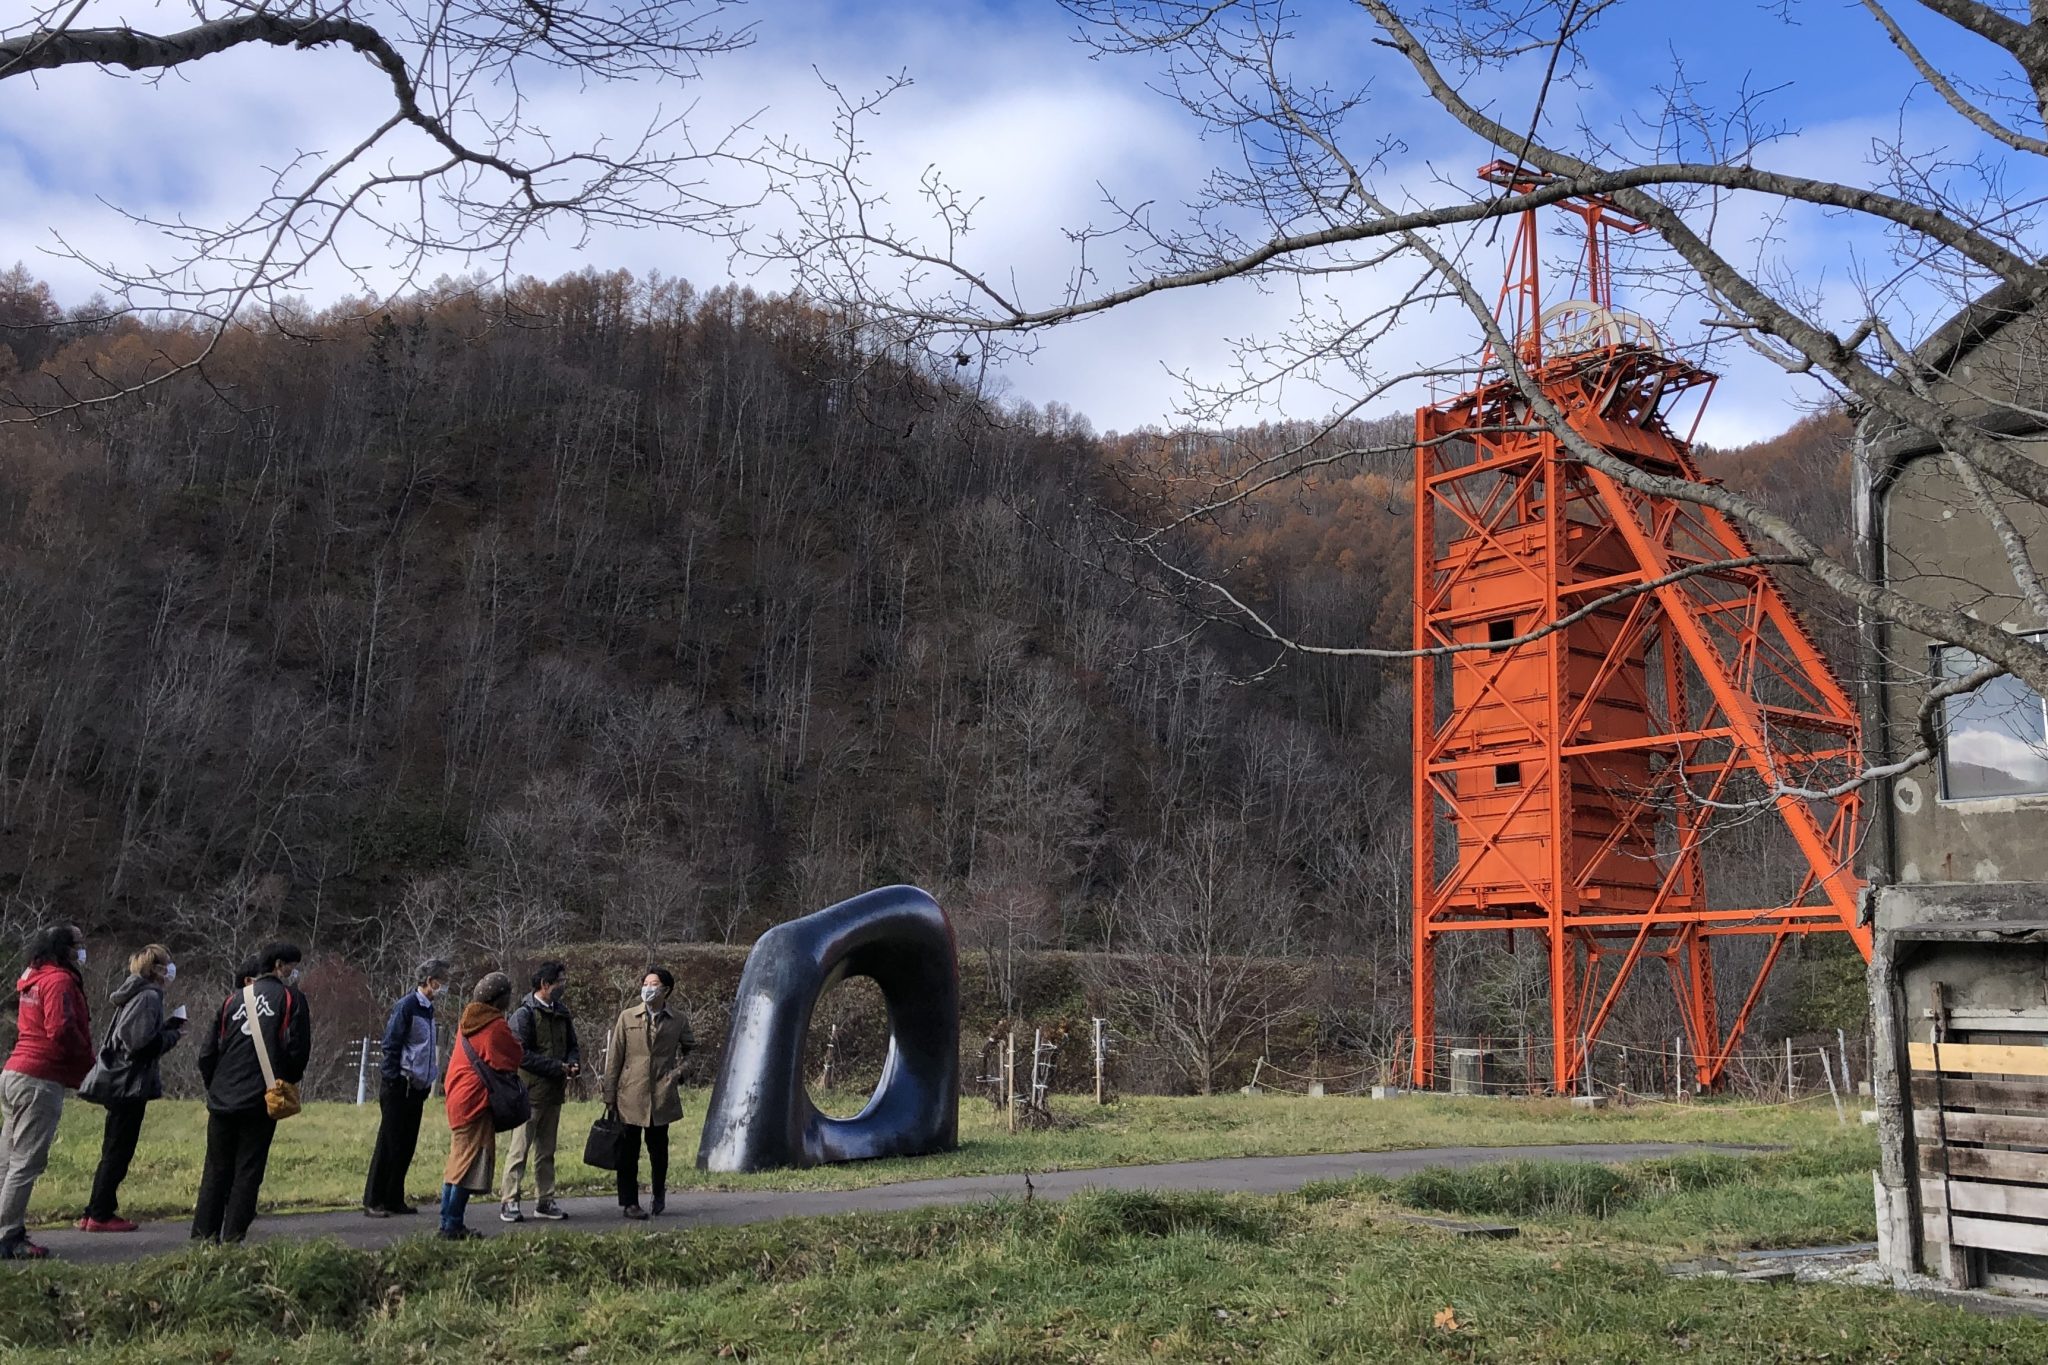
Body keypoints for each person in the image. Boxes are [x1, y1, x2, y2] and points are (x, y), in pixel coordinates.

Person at [192, 941, 311, 1244]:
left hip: (222, 1098)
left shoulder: (232, 1000)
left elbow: (207, 1053)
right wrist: (284, 1080)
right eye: (291, 966)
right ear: (279, 965)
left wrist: (215, 1085)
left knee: (216, 1169)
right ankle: (233, 1238)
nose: (293, 972)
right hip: (261, 1097)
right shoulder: (290, 998)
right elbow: (298, 1051)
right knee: (248, 1169)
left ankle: (202, 1238)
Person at [77, 944, 185, 1232]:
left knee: (112, 1147)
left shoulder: (131, 993)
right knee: (119, 1150)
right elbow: (139, 1043)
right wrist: (172, 1035)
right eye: (168, 964)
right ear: (158, 969)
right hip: (130, 1084)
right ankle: (101, 1212)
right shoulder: (149, 996)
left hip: (118, 1081)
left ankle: (94, 1210)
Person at [0, 924, 92, 1260]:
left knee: (7, 1160)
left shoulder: (33, 979)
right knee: (26, 1161)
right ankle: (8, 1235)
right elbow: (62, 1029)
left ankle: (5, 1228)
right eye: (78, 945)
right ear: (65, 949)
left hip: (14, 1071)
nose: (82, 951)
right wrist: (86, 1059)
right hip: (40, 1078)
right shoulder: (60, 981)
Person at [362, 958, 452, 1218]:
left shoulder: (428, 1010)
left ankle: (393, 1197)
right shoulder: (407, 1006)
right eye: (440, 981)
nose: (443, 987)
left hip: (417, 1087)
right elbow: (391, 1044)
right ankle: (374, 1199)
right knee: (389, 1143)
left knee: (405, 1144)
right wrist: (393, 1079)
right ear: (429, 981)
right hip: (400, 1084)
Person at [601, 965, 693, 1220]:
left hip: (661, 1093)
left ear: (666, 989)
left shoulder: (678, 1020)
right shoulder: (628, 1016)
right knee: (628, 1152)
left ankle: (659, 1192)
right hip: (630, 1093)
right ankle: (629, 1202)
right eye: (646, 983)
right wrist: (609, 1095)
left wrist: (679, 1072)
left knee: (658, 1149)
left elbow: (692, 1051)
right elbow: (615, 1058)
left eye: (654, 984)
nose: (648, 988)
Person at [440, 971, 523, 1241]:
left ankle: (447, 1220)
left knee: (456, 1160)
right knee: (467, 1164)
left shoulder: (468, 1021)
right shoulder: (493, 1025)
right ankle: (452, 1224)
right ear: (500, 999)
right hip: (475, 1100)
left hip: (457, 1096)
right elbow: (511, 1056)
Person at [500, 960, 581, 1223]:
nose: (563, 986)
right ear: (545, 985)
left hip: (554, 1093)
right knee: (519, 1150)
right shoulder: (523, 1016)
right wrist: (558, 1067)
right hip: (529, 1094)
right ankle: (509, 1200)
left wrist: (572, 1063)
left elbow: (572, 1044)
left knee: (547, 1151)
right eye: (559, 982)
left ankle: (545, 1200)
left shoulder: (562, 1013)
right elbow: (521, 1055)